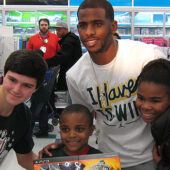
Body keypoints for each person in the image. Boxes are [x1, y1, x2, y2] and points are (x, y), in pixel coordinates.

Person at [39, 0, 166, 169]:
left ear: (113, 27)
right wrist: (64, 146)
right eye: (83, 26)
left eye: (97, 24)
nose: (89, 32)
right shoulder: (75, 75)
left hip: (151, 157)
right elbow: (80, 120)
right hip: (106, 160)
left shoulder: (147, 56)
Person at [0, 49, 47, 169]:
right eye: (12, 80)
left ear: (36, 89)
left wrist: (56, 167)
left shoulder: (23, 115)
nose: (16, 89)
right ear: (4, 74)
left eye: (27, 85)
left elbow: (25, 157)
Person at [135, 58, 170, 170]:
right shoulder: (162, 125)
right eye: (140, 98)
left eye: (155, 100)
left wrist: (162, 165)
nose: (145, 106)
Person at [46, 20, 82, 91]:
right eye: (56, 30)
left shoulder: (69, 40)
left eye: (59, 30)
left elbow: (61, 56)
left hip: (70, 73)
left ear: (65, 29)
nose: (57, 32)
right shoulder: (69, 39)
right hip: (70, 71)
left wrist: (46, 62)